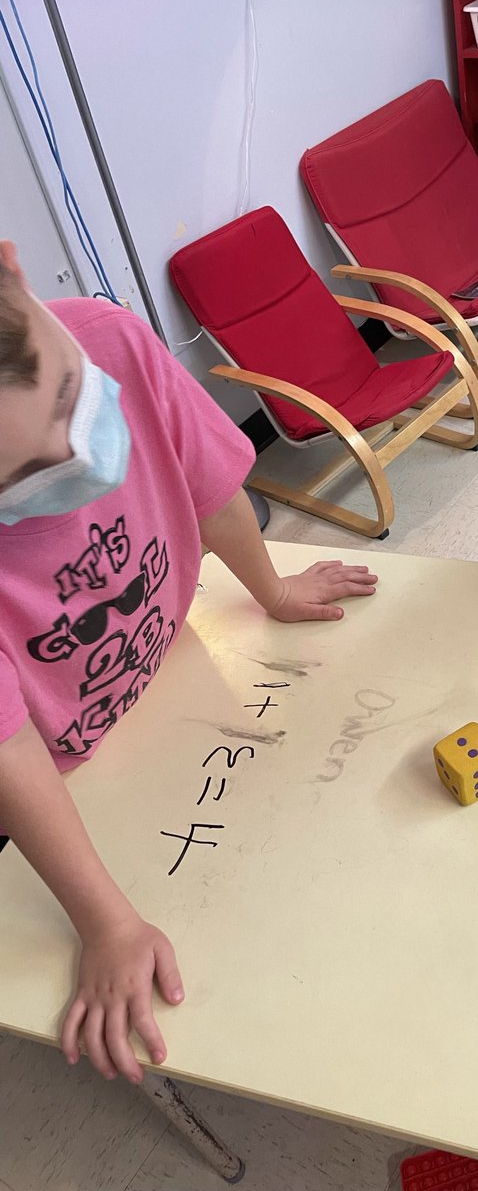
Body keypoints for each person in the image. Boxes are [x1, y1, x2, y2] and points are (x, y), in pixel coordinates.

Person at [0, 241, 377, 1083]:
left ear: (16, 272)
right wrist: (107, 924)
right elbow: (8, 750)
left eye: (68, 397)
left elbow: (206, 486)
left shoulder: (111, 338)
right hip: (57, 773)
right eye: (20, 476)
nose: (73, 455)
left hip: (169, 674)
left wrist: (271, 591)